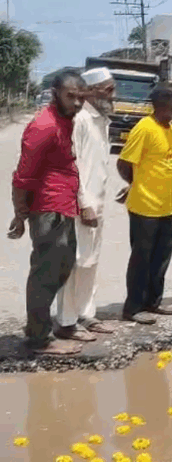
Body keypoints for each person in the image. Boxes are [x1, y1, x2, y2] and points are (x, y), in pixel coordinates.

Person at [8, 71, 86, 355]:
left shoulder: (66, 121)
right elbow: (23, 175)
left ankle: (38, 327)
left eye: (80, 97)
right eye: (70, 96)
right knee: (46, 271)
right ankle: (39, 338)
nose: (77, 102)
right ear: (55, 94)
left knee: (61, 266)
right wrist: (20, 214)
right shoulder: (45, 125)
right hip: (48, 209)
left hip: (63, 207)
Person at [54, 68, 118, 341]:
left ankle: (86, 314)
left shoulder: (102, 120)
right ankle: (66, 322)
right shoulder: (79, 119)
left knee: (91, 261)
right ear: (91, 91)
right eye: (108, 89)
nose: (113, 95)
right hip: (81, 205)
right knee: (74, 263)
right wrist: (84, 204)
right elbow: (72, 166)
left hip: (98, 204)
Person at [117, 82, 172, 324]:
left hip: (165, 207)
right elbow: (124, 163)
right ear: (161, 103)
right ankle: (133, 308)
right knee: (141, 260)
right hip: (144, 207)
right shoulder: (144, 128)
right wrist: (137, 184)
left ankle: (153, 302)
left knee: (161, 259)